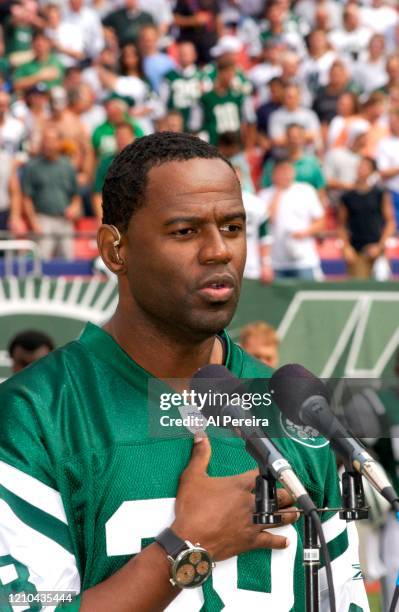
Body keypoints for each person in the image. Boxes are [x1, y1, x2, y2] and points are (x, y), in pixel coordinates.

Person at [0, 132, 369, 611]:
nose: (219, 251)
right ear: (116, 250)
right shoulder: (34, 415)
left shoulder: (288, 407)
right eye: (185, 231)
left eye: (233, 228)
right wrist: (186, 544)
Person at [21, 126, 81, 260]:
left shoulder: (68, 166)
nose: (48, 144)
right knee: (42, 259)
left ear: (59, 143)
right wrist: (34, 222)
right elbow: (26, 198)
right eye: (46, 140)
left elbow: (76, 196)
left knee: (68, 260)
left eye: (52, 140)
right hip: (43, 219)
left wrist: (74, 208)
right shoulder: (32, 167)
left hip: (65, 220)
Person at [258, 159, 325, 280]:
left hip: (304, 260)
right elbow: (269, 219)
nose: (286, 174)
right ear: (274, 174)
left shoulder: (306, 191)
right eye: (282, 171)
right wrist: (278, 192)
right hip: (276, 262)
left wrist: (305, 232)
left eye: (289, 170)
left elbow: (320, 221)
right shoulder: (264, 195)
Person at [338, 156, 396, 279]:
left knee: (383, 288)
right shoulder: (347, 197)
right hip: (356, 251)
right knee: (357, 288)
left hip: (377, 251)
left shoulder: (380, 193)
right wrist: (346, 247)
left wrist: (379, 247)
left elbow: (390, 222)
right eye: (359, 166)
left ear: (372, 171)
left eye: (365, 167)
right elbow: (341, 225)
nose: (361, 169)